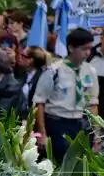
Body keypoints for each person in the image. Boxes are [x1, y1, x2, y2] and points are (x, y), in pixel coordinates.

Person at [34, 27, 98, 161]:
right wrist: (42, 133)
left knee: (78, 164)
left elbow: (93, 104)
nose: (87, 53)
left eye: (90, 49)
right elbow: (39, 102)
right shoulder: (54, 70)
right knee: (60, 163)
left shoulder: (90, 71)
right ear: (71, 48)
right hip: (57, 122)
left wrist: (96, 134)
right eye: (83, 49)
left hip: (80, 123)